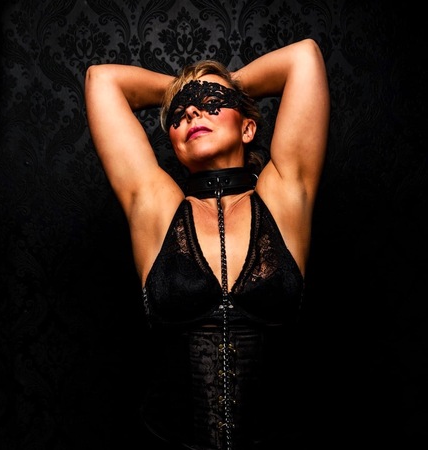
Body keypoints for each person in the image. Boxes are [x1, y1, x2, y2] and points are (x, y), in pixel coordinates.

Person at [85, 38, 330, 450]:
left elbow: (303, 57)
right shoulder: (156, 208)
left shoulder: (284, 197)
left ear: (248, 127)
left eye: (211, 102)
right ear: (174, 142)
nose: (192, 110)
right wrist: (189, 87)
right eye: (179, 111)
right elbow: (101, 80)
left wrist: (224, 84)